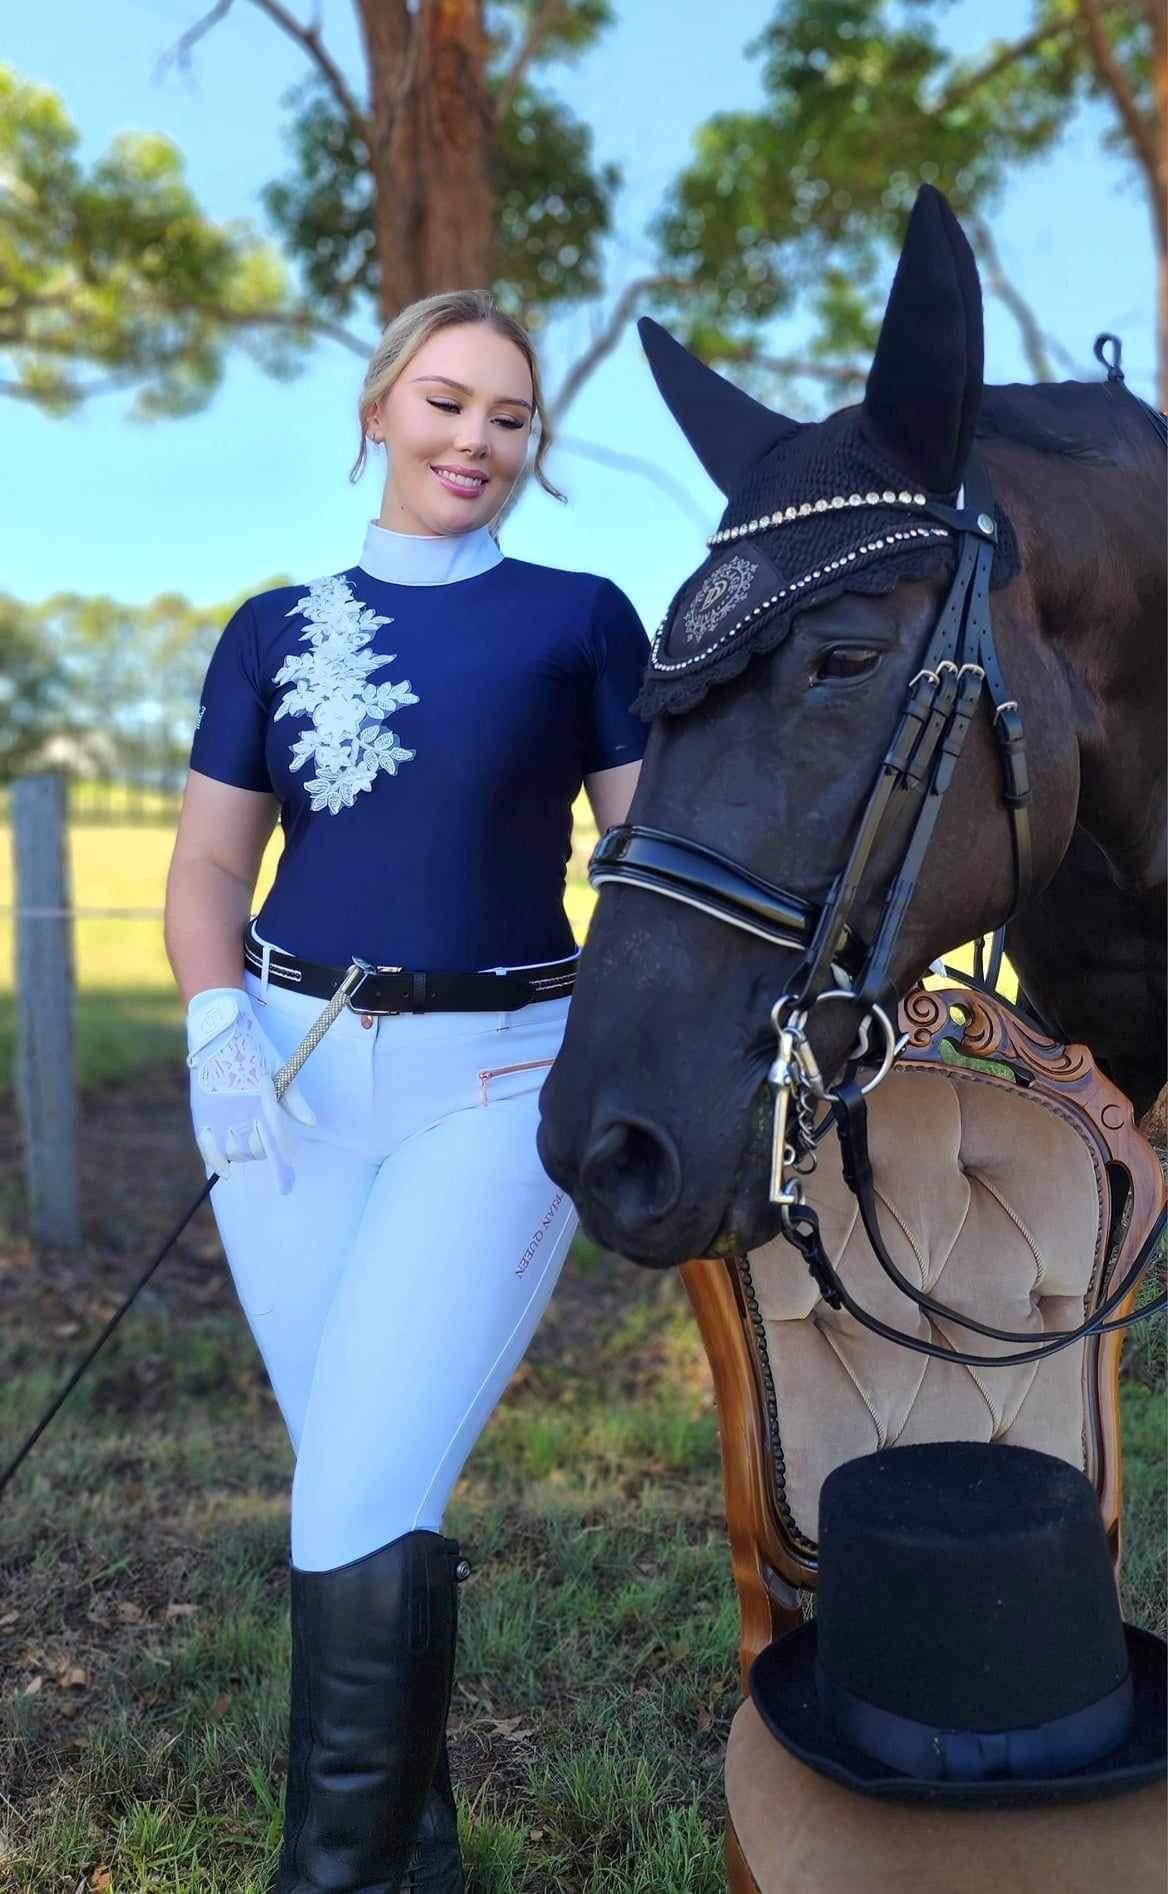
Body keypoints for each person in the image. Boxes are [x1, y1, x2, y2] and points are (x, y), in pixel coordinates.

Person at [162, 290, 649, 1894]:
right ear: (378, 408)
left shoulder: (582, 621)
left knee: (363, 1480)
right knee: (362, 1480)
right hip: (284, 1081)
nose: (476, 439)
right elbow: (210, 863)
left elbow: (645, 862)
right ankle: (413, 1852)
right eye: (446, 401)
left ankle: (337, 1879)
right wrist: (214, 1028)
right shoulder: (270, 628)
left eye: (510, 417)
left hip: (497, 1084)